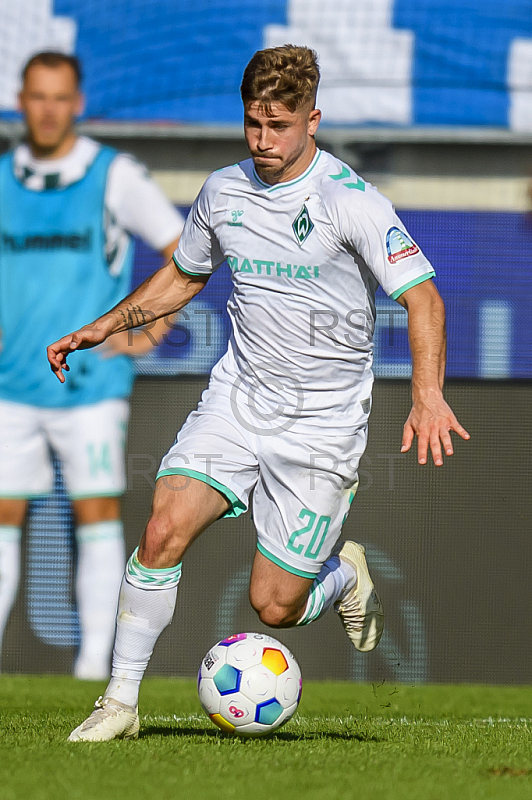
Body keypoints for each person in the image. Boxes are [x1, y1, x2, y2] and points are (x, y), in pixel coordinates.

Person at [48, 45, 470, 741]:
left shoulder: (349, 201)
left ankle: (341, 575)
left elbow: (422, 298)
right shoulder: (223, 191)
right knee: (162, 528)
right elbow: (185, 276)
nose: (264, 141)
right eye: (253, 124)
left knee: (274, 607)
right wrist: (104, 326)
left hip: (322, 426)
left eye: (279, 126)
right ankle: (119, 704)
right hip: (238, 401)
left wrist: (427, 395)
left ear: (313, 119)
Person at [0, 51, 184, 679]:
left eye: (60, 97)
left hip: (90, 387)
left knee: (97, 514)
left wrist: (145, 333)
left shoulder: (113, 175)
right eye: (37, 96)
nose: (48, 109)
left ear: (77, 104)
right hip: (10, 389)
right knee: (4, 516)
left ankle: (91, 670)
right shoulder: (2, 178)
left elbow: (183, 252)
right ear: (20, 101)